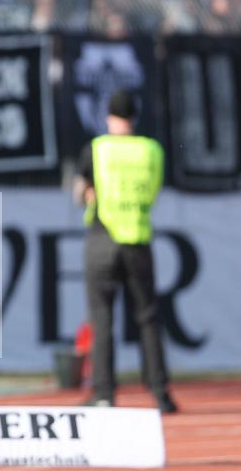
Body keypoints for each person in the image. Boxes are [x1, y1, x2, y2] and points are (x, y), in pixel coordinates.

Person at [73, 89, 178, 414]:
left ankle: (104, 392)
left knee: (102, 318)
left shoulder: (97, 149)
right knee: (148, 318)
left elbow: (80, 193)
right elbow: (154, 191)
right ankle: (160, 393)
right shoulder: (152, 151)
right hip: (138, 239)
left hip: (103, 238)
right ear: (135, 117)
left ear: (108, 116)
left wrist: (90, 194)